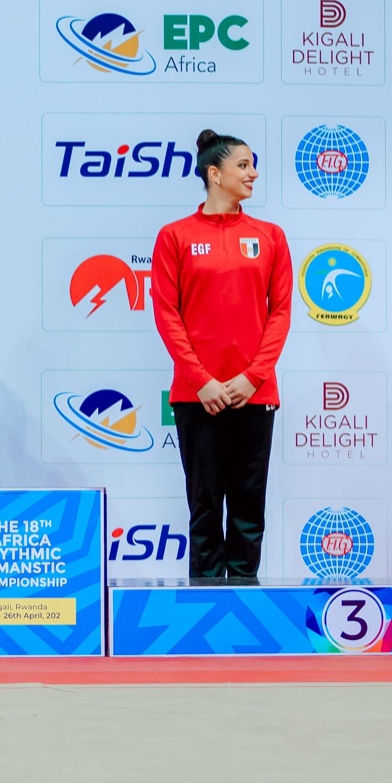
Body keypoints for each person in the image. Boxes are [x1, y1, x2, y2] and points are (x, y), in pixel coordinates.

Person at [151, 130, 291, 581]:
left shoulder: (270, 236)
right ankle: (205, 605)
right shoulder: (174, 236)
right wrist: (202, 381)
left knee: (249, 509)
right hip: (197, 396)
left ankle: (246, 603)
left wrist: (253, 376)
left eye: (253, 165)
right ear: (215, 174)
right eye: (243, 165)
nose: (253, 174)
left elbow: (281, 312)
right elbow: (167, 314)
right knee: (205, 508)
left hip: (255, 393)